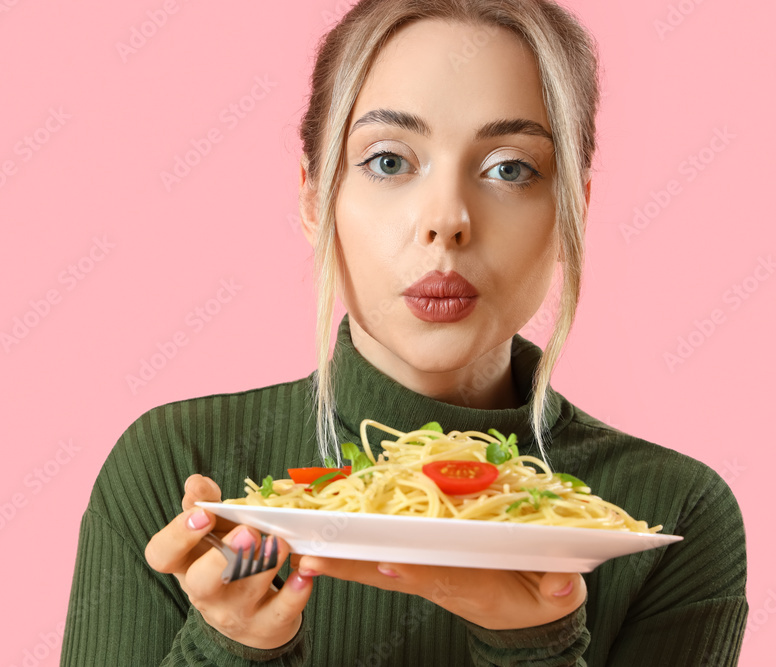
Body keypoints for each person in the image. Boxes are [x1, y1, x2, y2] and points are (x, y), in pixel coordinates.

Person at [59, 1, 748, 664]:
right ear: (313, 197)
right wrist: (228, 645)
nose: (446, 219)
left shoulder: (669, 514)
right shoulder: (176, 465)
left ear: (573, 209)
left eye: (510, 168)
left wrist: (537, 644)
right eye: (389, 161)